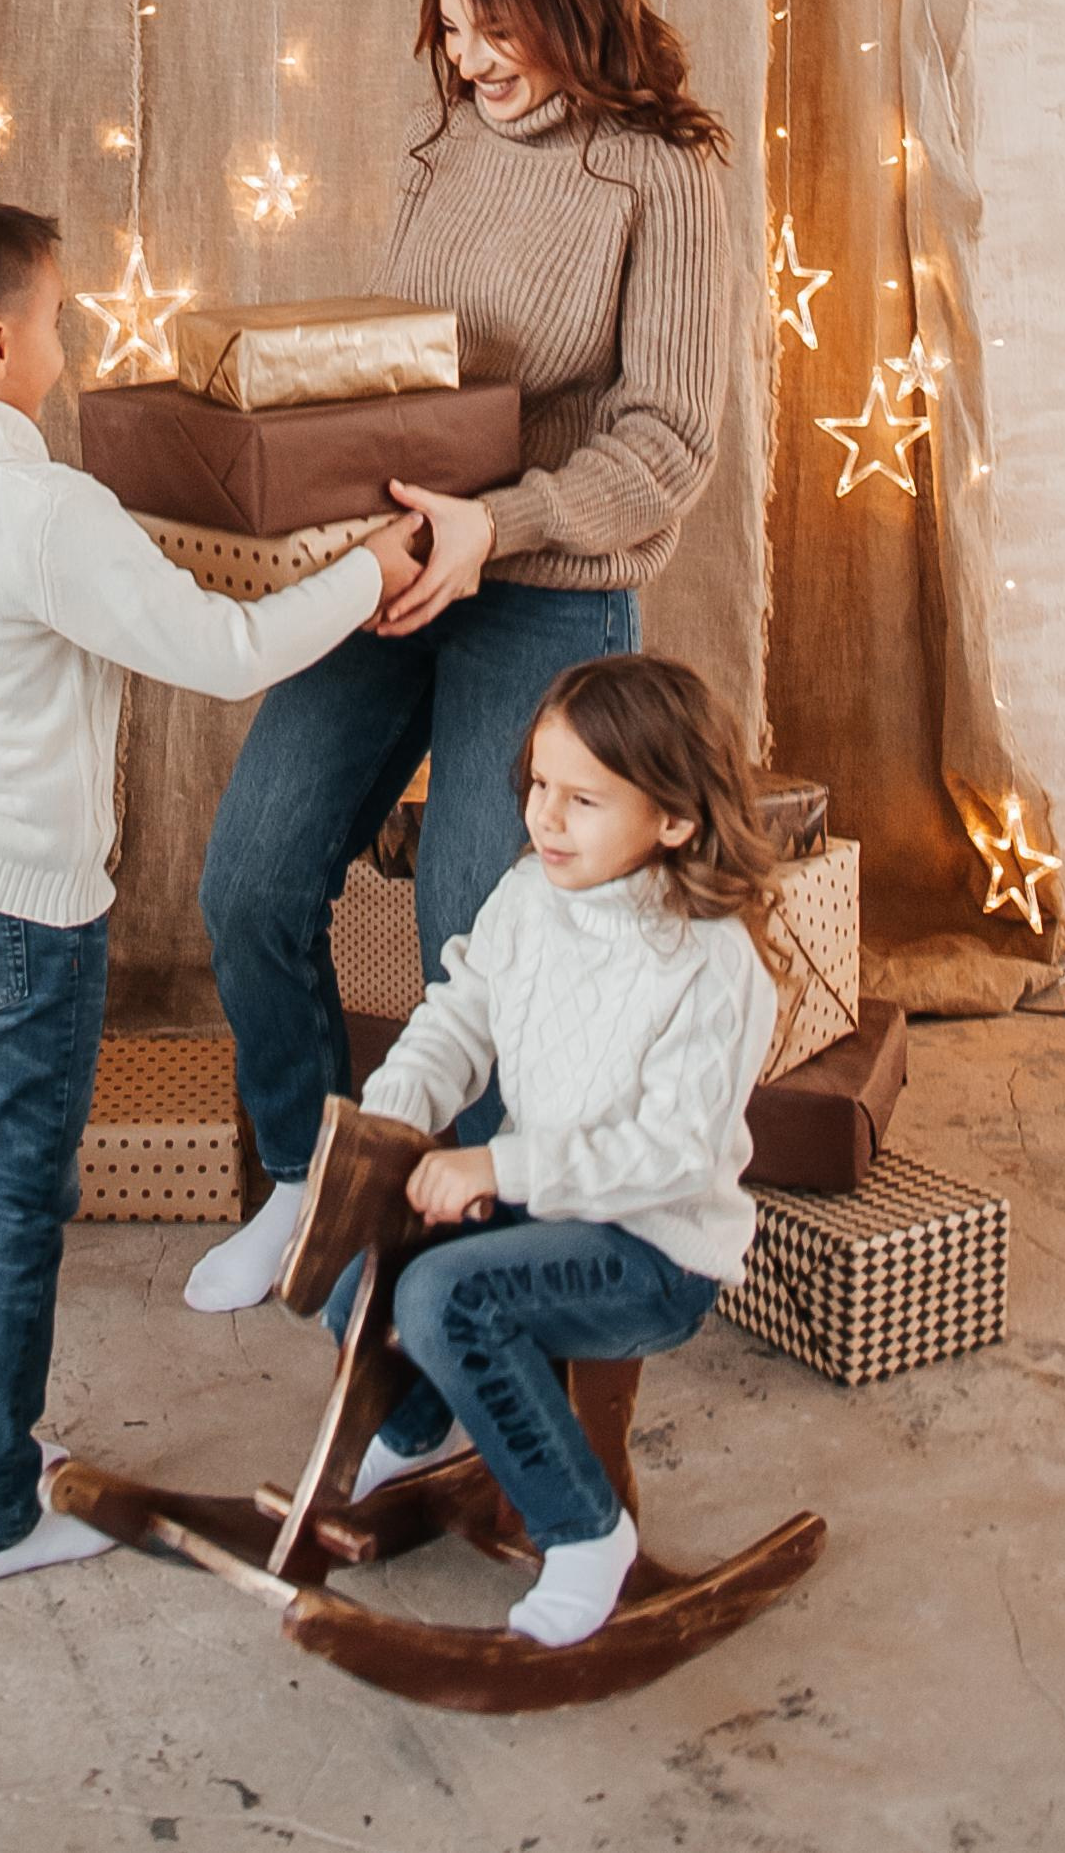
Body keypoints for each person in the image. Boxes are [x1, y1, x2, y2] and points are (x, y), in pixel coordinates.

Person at [0, 189, 423, 1583]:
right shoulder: (41, 506)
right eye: (52, 317)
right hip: (17, 905)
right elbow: (225, 652)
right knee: (10, 1200)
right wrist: (368, 570)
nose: (67, 338)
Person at [189, 0, 732, 1314]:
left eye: (496, 29)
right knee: (249, 876)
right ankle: (312, 1184)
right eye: (451, 31)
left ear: (573, 9)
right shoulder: (444, 154)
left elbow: (672, 439)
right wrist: (357, 523)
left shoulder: (661, 174)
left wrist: (497, 529)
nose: (473, 61)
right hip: (401, 561)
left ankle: (466, 1266)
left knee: (474, 930)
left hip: (546, 583)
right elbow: (404, 374)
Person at [342, 654, 782, 1647]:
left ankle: (586, 1533)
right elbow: (461, 1020)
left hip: (651, 1249)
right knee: (362, 1267)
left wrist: (498, 1168)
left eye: (583, 799)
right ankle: (414, 1442)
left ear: (673, 819)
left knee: (443, 1297)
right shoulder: (529, 898)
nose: (545, 818)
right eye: (539, 786)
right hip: (548, 1208)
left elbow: (671, 1152)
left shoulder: (712, 965)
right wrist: (394, 1116)